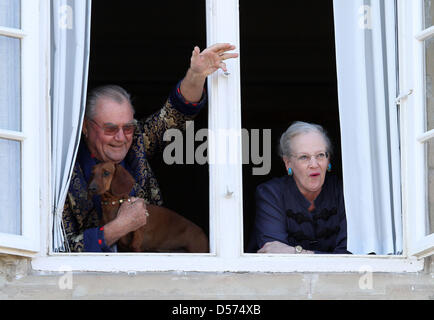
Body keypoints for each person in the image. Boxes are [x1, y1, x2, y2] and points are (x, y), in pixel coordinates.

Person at [63, 43, 238, 252]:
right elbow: (61, 250)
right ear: (85, 127)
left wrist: (196, 75)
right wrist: (119, 227)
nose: (121, 138)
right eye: (110, 129)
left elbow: (175, 114)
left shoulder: (138, 140)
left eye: (127, 128)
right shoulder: (62, 172)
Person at [248, 121, 350, 254]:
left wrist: (296, 252)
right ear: (288, 163)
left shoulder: (344, 192)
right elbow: (274, 255)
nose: (314, 164)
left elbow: (350, 257)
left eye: (320, 155)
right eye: (304, 157)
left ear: (328, 159)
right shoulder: (271, 193)